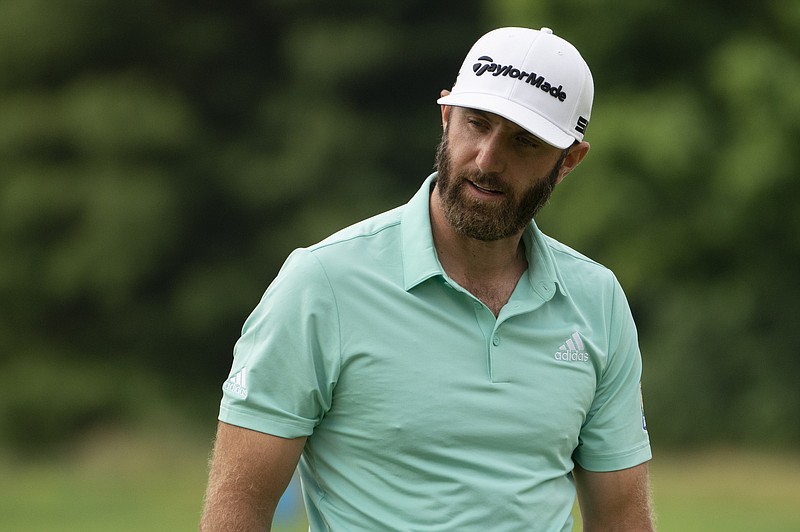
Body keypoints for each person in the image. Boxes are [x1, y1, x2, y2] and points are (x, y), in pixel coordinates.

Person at [201, 26, 654, 531]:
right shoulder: (322, 283)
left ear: (568, 160)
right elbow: (238, 506)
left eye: (524, 142)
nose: (487, 160)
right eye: (477, 124)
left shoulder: (598, 300)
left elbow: (622, 517)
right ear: (446, 116)